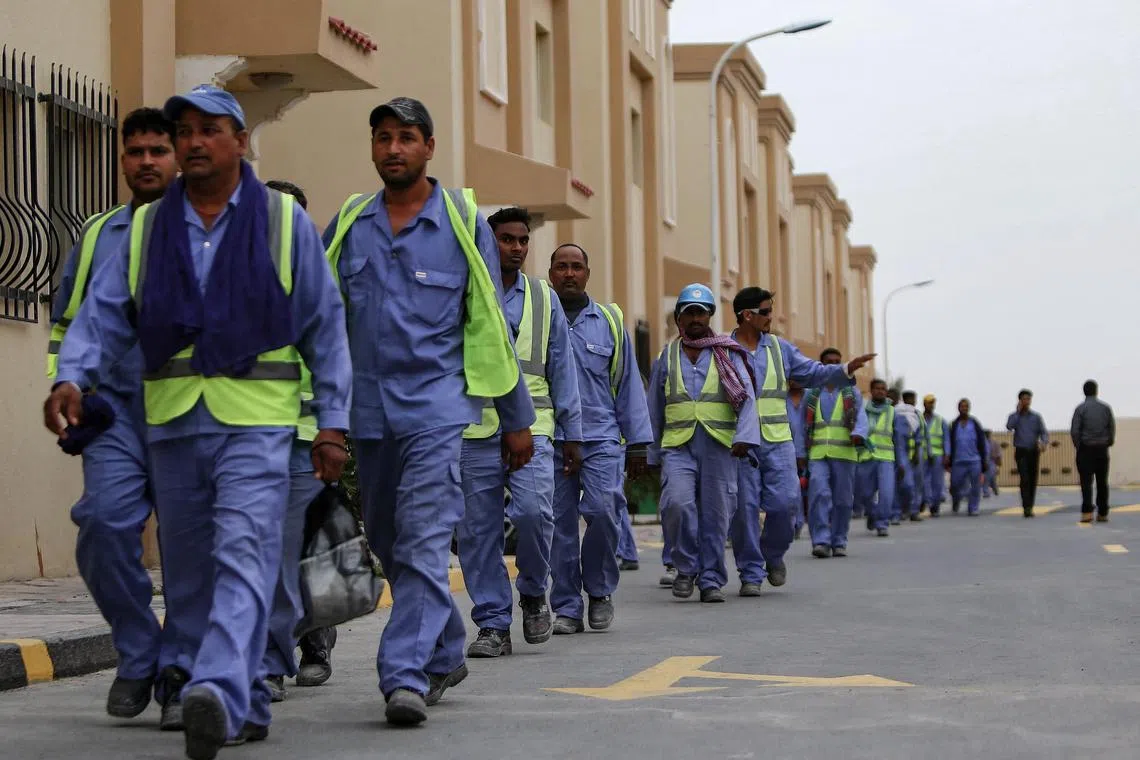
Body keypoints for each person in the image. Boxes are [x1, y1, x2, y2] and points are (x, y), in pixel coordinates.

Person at [44, 85, 353, 758]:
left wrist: (332, 422)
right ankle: (213, 687)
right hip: (173, 423)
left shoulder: (280, 221)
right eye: (185, 130)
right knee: (187, 576)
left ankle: (215, 685)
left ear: (240, 141)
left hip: (258, 424)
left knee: (243, 553)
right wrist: (71, 375)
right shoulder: (147, 228)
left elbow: (324, 328)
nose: (193, 142)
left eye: (209, 130)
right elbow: (98, 314)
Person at [321, 97, 535, 726]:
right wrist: (320, 414)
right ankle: (443, 645)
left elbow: (491, 323)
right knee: (388, 538)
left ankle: (404, 676)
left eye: (406, 137)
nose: (393, 149)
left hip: (439, 407)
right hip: (367, 410)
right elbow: (320, 318)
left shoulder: (464, 221)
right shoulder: (351, 222)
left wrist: (514, 415)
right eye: (383, 138)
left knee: (419, 537)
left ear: (429, 147)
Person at [44, 107, 178, 722]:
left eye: (158, 150)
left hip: (191, 414)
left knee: (190, 549)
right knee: (100, 525)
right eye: (136, 151)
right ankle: (139, 652)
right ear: (122, 159)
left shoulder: (206, 229)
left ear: (179, 158)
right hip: (116, 415)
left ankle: (184, 665)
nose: (146, 161)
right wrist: (66, 383)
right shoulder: (100, 235)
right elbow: (71, 323)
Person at [457, 208, 582, 658]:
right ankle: (492, 623)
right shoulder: (466, 290)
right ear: (489, 241)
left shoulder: (545, 299)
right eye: (505, 239)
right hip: (474, 426)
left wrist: (574, 434)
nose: (515, 247)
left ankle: (532, 591)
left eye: (522, 240)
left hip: (534, 426)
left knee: (533, 514)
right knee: (477, 531)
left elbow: (562, 370)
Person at [725, 287, 874, 589]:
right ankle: (751, 573)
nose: (771, 317)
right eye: (766, 311)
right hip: (739, 443)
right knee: (744, 510)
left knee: (787, 503)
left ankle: (773, 554)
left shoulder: (781, 349)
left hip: (778, 440)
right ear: (747, 315)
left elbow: (813, 373)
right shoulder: (723, 350)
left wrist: (845, 369)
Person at [259, 180, 338, 700]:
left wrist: (332, 429)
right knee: (270, 549)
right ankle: (280, 649)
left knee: (299, 548)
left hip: (310, 437)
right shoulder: (235, 273)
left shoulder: (321, 281)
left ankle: (295, 648)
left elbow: (335, 357)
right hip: (251, 432)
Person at [547, 243, 652, 631]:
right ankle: (567, 608)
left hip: (601, 438)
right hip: (553, 439)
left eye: (576, 266)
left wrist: (638, 442)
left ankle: (600, 590)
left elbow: (627, 385)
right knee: (558, 524)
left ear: (587, 273)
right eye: (562, 267)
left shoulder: (608, 322)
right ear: (551, 273)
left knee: (605, 512)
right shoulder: (540, 318)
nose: (569, 273)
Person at [648, 284, 759, 602]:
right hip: (678, 446)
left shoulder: (728, 354)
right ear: (678, 319)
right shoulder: (666, 356)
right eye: (689, 313)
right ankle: (685, 567)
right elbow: (654, 408)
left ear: (709, 315)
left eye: (701, 312)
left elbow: (747, 398)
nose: (695, 318)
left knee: (716, 513)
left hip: (719, 445)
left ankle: (710, 579)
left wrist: (745, 438)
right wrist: (649, 453)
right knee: (677, 505)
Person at [802, 349, 869, 557]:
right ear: (821, 367)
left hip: (845, 453)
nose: (834, 365)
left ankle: (839, 539)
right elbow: (800, 423)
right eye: (829, 362)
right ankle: (821, 541)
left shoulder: (852, 393)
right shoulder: (811, 394)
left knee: (842, 501)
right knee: (819, 495)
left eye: (837, 362)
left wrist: (858, 433)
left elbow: (862, 419)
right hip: (818, 454)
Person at [855, 378, 909, 537]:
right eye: (877, 388)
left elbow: (898, 441)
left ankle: (882, 523)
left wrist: (901, 463)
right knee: (864, 495)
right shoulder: (862, 410)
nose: (880, 391)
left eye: (883, 389)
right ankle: (872, 514)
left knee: (887, 493)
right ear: (871, 391)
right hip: (865, 458)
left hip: (886, 458)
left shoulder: (893, 412)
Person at [1071, 380, 1115, 522]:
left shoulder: (1080, 409)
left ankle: (1087, 513)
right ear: (1096, 391)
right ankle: (1102, 513)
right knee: (1102, 482)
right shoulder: (1105, 408)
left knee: (1086, 482)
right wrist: (1108, 442)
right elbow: (1111, 427)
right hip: (1102, 449)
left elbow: (1075, 431)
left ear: (1084, 391)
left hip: (1086, 449)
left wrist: (1079, 446)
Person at [1006, 389, 1049, 516]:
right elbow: (1009, 426)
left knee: (1032, 479)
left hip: (1033, 451)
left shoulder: (1036, 417)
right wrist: (1018, 413)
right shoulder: (1014, 416)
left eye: (1028, 399)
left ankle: (1030, 505)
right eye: (1024, 399)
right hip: (1021, 451)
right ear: (1020, 400)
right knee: (1024, 478)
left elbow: (1043, 432)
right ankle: (1026, 507)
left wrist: (1044, 442)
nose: (1026, 401)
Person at [947, 399, 987, 516]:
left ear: (969, 408)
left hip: (974, 460)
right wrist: (949, 458)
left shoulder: (974, 423)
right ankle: (956, 501)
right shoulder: (954, 424)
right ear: (958, 408)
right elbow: (949, 442)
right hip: (958, 461)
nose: (964, 409)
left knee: (975, 485)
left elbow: (982, 442)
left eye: (966, 406)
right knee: (954, 484)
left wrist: (984, 459)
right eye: (962, 407)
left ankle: (973, 507)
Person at [787, 379, 808, 540]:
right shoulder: (781, 398)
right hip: (785, 451)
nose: (795, 381)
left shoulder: (811, 398)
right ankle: (796, 522)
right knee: (792, 489)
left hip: (811, 451)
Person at [901, 390, 928, 518]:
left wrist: (920, 452)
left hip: (917, 453)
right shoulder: (899, 413)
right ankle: (905, 508)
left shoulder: (918, 415)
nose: (912, 402)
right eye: (910, 400)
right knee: (906, 483)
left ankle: (914, 511)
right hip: (903, 453)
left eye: (913, 399)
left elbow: (923, 433)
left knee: (918, 482)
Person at [922, 395, 948, 516]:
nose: (930, 405)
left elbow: (946, 439)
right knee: (923, 480)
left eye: (932, 403)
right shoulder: (919, 419)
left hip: (937, 455)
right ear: (924, 404)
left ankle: (935, 505)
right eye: (928, 403)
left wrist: (947, 455)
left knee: (937, 482)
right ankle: (926, 501)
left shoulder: (940, 421)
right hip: (922, 455)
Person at [981, 431, 999, 498]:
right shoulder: (983, 442)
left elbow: (998, 454)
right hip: (986, 461)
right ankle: (990, 491)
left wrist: (998, 463)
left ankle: (989, 490)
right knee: (989, 478)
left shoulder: (994, 443)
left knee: (990, 478)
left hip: (992, 461)